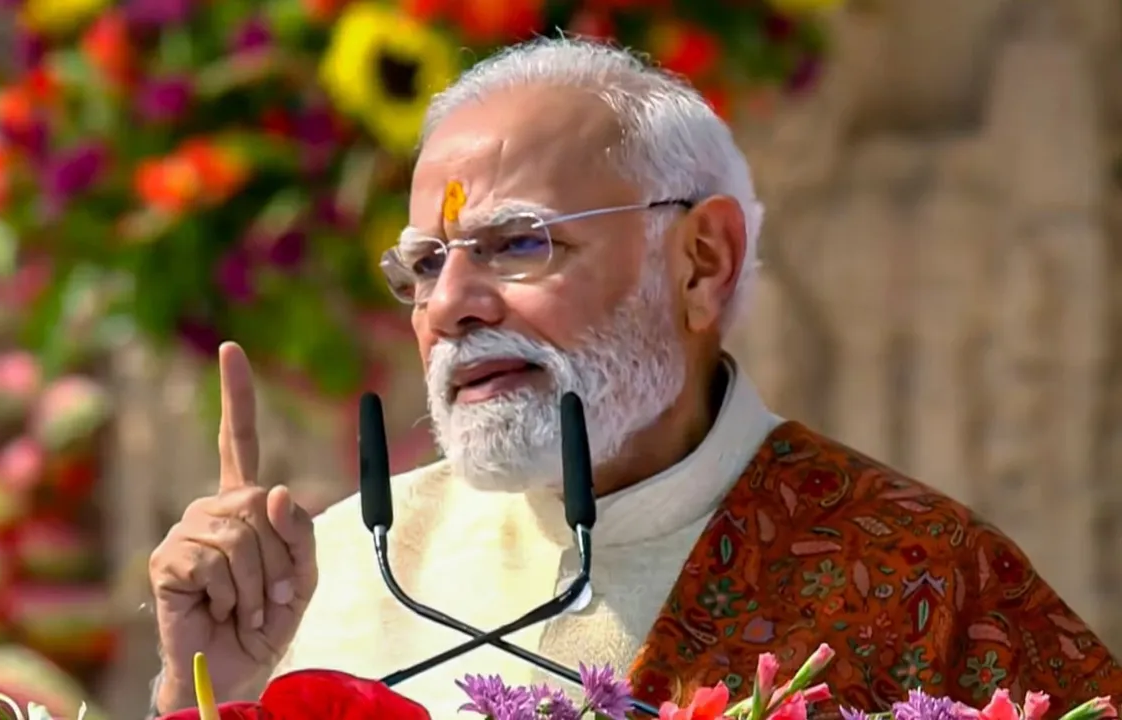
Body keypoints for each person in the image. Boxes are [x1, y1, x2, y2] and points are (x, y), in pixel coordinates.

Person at [145, 38, 1122, 718]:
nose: (451, 307)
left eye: (517, 243)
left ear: (700, 262)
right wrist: (208, 690)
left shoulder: (921, 580)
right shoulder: (340, 574)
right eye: (425, 264)